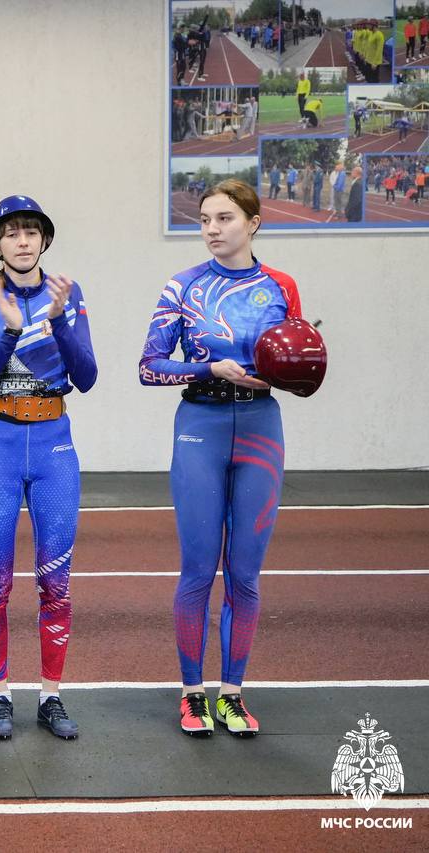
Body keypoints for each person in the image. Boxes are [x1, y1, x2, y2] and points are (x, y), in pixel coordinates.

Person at [138, 179, 301, 738]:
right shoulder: (182, 286)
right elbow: (149, 366)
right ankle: (192, 694)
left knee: (245, 573)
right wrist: (209, 368)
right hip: (200, 427)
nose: (211, 228)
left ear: (253, 223)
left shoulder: (281, 286)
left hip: (260, 428)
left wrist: (299, 373)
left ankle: (232, 693)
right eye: (205, 219)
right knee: (198, 568)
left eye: (224, 218)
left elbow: (295, 362)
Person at [0, 196, 96, 741]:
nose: (22, 240)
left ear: (44, 240)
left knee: (55, 580)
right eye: (12, 232)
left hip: (54, 444)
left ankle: (50, 696)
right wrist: (12, 334)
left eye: (31, 231)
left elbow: (87, 377)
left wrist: (59, 322)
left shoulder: (67, 293)